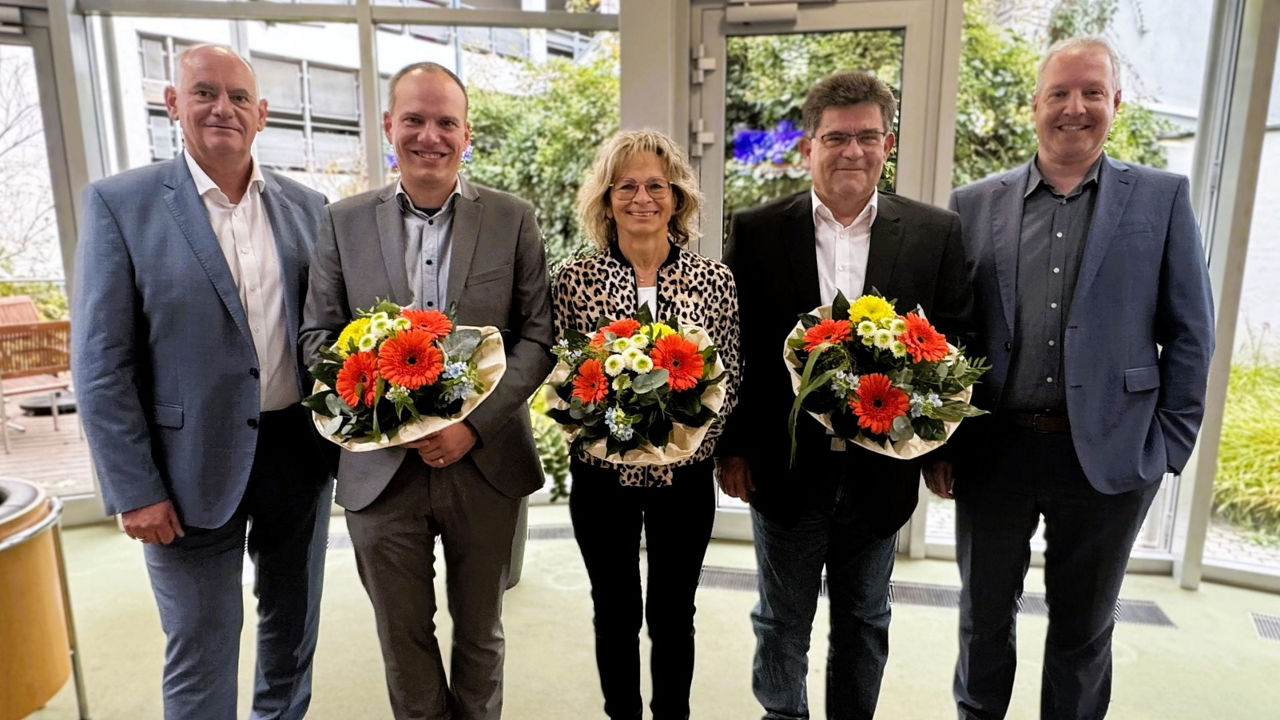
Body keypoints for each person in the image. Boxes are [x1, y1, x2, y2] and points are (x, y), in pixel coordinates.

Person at [930, 36, 1215, 720]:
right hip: (995, 449)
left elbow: (1191, 334)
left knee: (1083, 631)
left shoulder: (1161, 199)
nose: (1074, 108)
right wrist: (941, 441)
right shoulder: (974, 204)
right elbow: (945, 335)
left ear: (1115, 103)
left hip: (1111, 454)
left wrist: (1168, 445)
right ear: (1034, 107)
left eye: (1092, 92)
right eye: (1059, 93)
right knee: (982, 619)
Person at [71, 45, 332, 720]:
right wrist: (134, 488)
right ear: (174, 104)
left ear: (263, 114)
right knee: (200, 642)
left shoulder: (309, 209)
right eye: (205, 93)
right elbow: (101, 363)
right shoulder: (120, 205)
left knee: (292, 631)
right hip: (183, 470)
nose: (223, 108)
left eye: (239, 97)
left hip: (296, 458)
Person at [299, 61, 553, 720]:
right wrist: (387, 417)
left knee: (480, 634)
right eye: (414, 119)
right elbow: (316, 341)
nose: (429, 136)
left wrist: (475, 423)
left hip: (485, 462)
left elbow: (539, 339)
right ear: (390, 126)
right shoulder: (341, 222)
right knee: (402, 638)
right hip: (380, 472)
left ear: (466, 134)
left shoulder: (513, 219)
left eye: (446, 122)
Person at [716, 70, 973, 720]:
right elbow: (736, 347)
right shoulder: (755, 231)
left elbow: (957, 340)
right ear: (808, 147)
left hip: (882, 475)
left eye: (865, 137)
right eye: (835, 138)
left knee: (864, 621)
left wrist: (944, 448)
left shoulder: (935, 234)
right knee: (781, 623)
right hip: (783, 468)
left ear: (887, 144)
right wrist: (734, 448)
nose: (851, 151)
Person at [551, 129, 741, 720]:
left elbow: (729, 373)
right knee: (613, 611)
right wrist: (613, 434)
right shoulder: (572, 281)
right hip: (601, 479)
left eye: (656, 185)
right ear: (606, 201)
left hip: (685, 480)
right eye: (626, 186)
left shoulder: (716, 280)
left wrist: (684, 438)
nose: (642, 198)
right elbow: (562, 377)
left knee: (672, 614)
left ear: (677, 198)